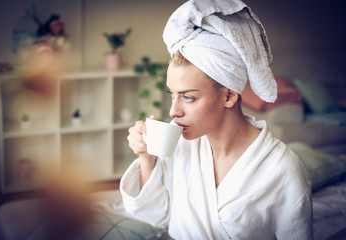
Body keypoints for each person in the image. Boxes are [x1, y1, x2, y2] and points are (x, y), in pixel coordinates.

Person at [120, 0, 313, 239]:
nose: (173, 111)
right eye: (172, 94)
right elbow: (157, 216)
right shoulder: (181, 142)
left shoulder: (282, 169)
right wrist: (147, 159)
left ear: (229, 96)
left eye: (188, 98)